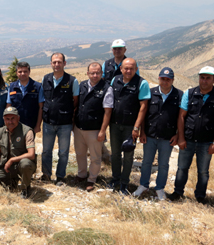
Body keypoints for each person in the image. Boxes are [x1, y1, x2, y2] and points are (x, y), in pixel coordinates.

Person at [168, 66, 214, 203]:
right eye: (202, 77)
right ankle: (178, 192)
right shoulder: (189, 93)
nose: (205, 81)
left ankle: (200, 196)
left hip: (207, 141)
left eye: (208, 78)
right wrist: (181, 138)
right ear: (199, 78)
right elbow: (181, 117)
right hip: (188, 139)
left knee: (203, 171)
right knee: (182, 168)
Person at [133, 67, 183, 200]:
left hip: (168, 137)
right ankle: (143, 185)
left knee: (163, 164)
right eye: (162, 79)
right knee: (146, 162)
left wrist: (178, 135)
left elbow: (181, 117)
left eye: (168, 79)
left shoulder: (179, 95)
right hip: (149, 135)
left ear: (172, 80)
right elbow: (144, 113)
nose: (165, 81)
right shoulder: (150, 93)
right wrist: (142, 132)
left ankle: (160, 188)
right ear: (159, 79)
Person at [108, 58, 150, 194]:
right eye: (126, 68)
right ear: (121, 69)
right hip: (114, 124)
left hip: (130, 126)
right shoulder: (115, 80)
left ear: (136, 69)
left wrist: (136, 128)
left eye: (131, 68)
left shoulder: (141, 83)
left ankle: (124, 183)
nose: (128, 70)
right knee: (115, 154)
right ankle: (115, 179)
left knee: (128, 155)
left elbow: (143, 107)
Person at [74, 62, 113, 192]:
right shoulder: (82, 85)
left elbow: (108, 112)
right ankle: (81, 175)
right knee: (80, 154)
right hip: (79, 127)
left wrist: (103, 131)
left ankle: (91, 179)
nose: (95, 75)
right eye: (92, 73)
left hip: (95, 130)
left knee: (95, 157)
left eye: (97, 73)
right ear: (88, 73)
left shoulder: (107, 88)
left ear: (101, 73)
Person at [41, 53, 79, 185]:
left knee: (63, 152)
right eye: (54, 62)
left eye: (59, 62)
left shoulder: (72, 80)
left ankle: (60, 176)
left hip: (65, 123)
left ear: (64, 63)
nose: (57, 64)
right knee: (46, 151)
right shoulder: (45, 79)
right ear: (51, 64)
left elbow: (75, 101)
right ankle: (46, 175)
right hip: (48, 122)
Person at [0, 107, 37, 197]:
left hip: (21, 166)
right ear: (4, 120)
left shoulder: (27, 131)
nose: (10, 121)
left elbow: (31, 154)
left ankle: (25, 188)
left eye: (13, 118)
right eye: (7, 119)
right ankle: (11, 182)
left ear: (18, 118)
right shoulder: (0, 132)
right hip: (7, 168)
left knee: (25, 163)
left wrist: (12, 159)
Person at [6, 61, 44, 133]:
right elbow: (8, 106)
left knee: (29, 144)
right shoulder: (11, 87)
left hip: (31, 124)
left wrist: (38, 125)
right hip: (15, 124)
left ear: (29, 72)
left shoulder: (37, 87)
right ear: (16, 73)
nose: (22, 74)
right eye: (20, 71)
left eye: (25, 71)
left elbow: (41, 107)